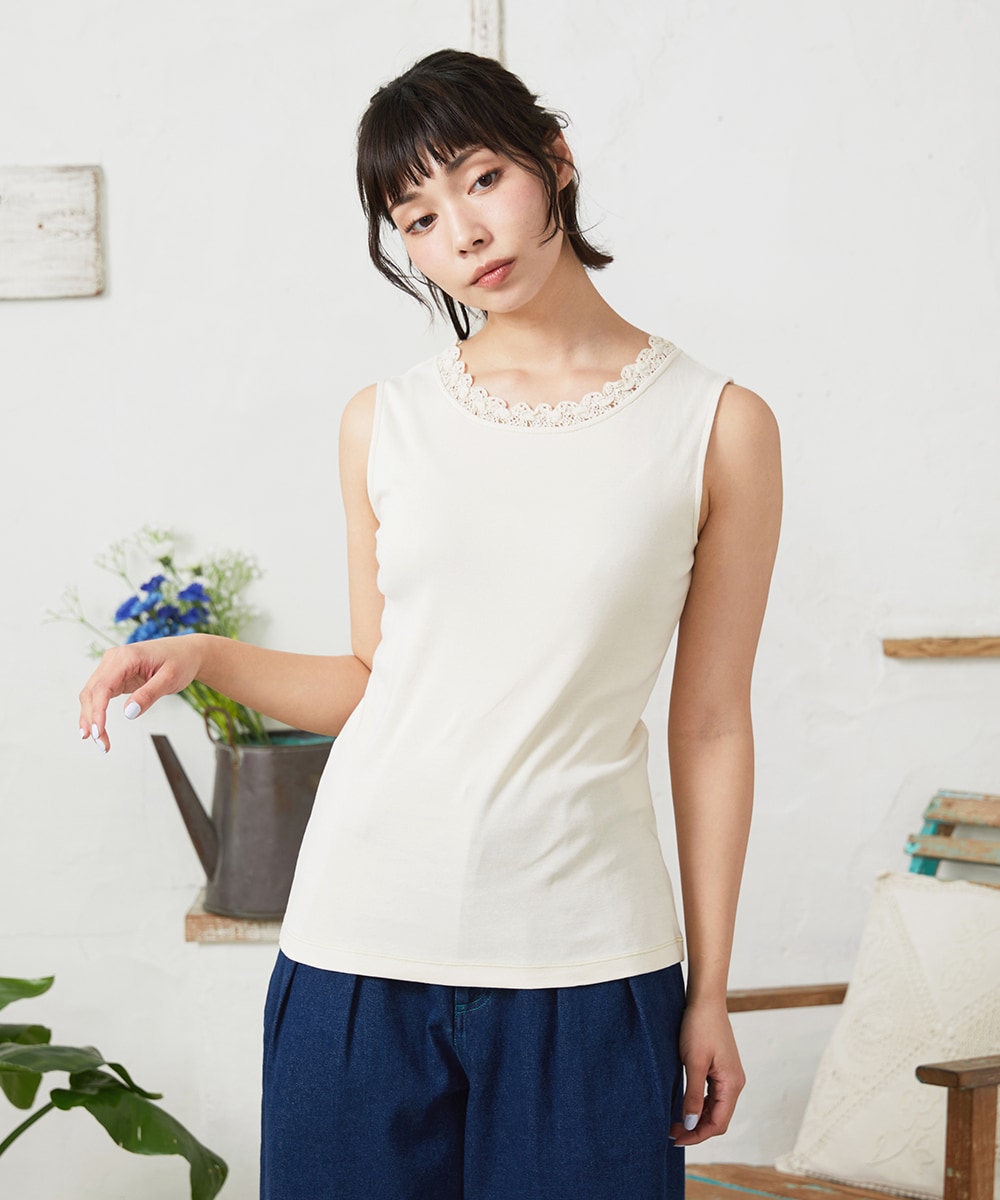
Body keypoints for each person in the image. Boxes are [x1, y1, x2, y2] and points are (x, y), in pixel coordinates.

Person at [79, 48, 781, 1200]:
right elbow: (374, 681)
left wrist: (708, 991)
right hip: (356, 951)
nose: (462, 232)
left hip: (588, 963)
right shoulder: (384, 423)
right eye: (416, 215)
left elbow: (708, 726)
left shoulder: (716, 425)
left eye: (482, 178)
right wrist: (202, 656)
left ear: (554, 161)